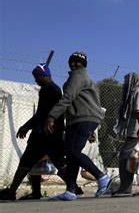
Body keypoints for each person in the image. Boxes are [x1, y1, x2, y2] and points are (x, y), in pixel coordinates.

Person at [0, 64, 81, 200]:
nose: (36, 80)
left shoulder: (49, 90)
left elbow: (42, 114)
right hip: (53, 134)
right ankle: (73, 187)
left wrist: (26, 126)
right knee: (57, 163)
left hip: (43, 134)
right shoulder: (53, 89)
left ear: (44, 76)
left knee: (26, 162)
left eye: (37, 77)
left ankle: (11, 192)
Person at [44, 52, 109, 200]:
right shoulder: (86, 78)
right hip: (83, 119)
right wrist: (92, 128)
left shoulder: (78, 76)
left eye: (77, 62)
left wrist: (51, 116)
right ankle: (70, 191)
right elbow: (93, 102)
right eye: (71, 62)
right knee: (72, 154)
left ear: (83, 64)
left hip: (82, 118)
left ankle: (101, 176)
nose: (73, 64)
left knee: (72, 151)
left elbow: (67, 98)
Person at [113, 73, 139, 197]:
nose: (124, 84)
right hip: (138, 131)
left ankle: (125, 188)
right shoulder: (134, 93)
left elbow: (138, 111)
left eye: (126, 81)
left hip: (137, 131)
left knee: (125, 157)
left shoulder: (138, 92)